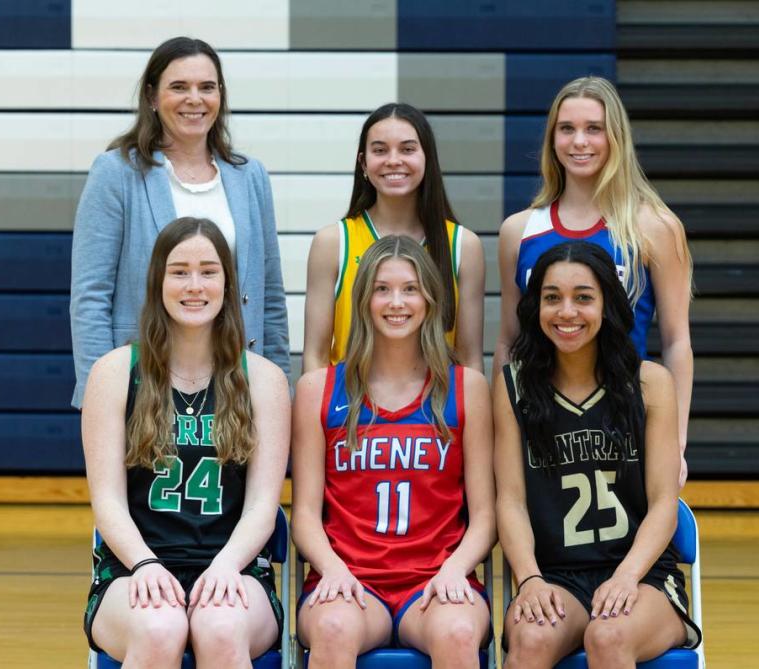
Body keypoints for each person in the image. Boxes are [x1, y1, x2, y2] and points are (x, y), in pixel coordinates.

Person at [81, 217, 290, 667]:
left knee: (220, 625)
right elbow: (108, 502)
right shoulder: (115, 373)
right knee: (161, 629)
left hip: (234, 568)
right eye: (179, 271)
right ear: (158, 281)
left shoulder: (265, 380)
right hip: (133, 569)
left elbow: (262, 507)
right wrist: (144, 565)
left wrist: (226, 565)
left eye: (208, 271)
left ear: (228, 284)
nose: (194, 285)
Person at [493, 242, 701, 669]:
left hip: (643, 577)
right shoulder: (512, 386)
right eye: (552, 298)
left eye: (583, 297)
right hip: (554, 577)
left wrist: (626, 577)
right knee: (530, 641)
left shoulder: (650, 384)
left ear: (607, 304)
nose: (566, 312)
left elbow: (664, 502)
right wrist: (529, 579)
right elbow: (510, 500)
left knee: (607, 637)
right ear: (536, 307)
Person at [292, 236, 495, 668]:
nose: (396, 302)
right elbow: (305, 515)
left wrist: (456, 569)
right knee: (332, 629)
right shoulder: (319, 390)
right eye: (382, 289)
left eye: (410, 288)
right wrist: (332, 568)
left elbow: (485, 516)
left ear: (430, 299)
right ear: (364, 299)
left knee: (458, 633)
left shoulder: (467, 389)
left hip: (437, 579)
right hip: (349, 579)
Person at [70, 36, 289, 409]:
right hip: (144, 386)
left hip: (235, 384)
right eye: (178, 87)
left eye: (207, 87)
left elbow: (270, 298)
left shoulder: (250, 176)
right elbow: (90, 297)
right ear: (152, 97)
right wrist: (102, 397)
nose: (194, 99)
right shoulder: (116, 173)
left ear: (220, 96)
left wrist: (279, 389)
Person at [495, 76, 693, 486]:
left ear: (615, 137)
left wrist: (675, 442)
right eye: (566, 129)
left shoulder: (654, 227)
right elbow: (508, 342)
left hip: (623, 422)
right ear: (552, 138)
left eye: (593, 128)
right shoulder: (519, 231)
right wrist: (502, 435)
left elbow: (676, 342)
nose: (579, 141)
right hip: (541, 427)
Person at [302, 102, 485, 373]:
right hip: (351, 411)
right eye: (380, 150)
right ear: (363, 162)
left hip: (434, 412)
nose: (393, 160)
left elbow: (469, 359)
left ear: (428, 158)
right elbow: (314, 358)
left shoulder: (463, 245)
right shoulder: (333, 242)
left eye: (408, 149)